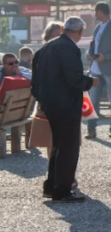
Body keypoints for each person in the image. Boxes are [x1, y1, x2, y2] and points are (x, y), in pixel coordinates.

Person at [31, 17, 99, 203]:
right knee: (68, 148)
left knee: (58, 146)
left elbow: (35, 72)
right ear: (79, 33)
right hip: (65, 104)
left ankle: (51, 186)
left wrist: (40, 97)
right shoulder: (69, 48)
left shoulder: (48, 46)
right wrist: (90, 82)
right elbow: (74, 79)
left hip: (50, 103)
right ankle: (62, 190)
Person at [86, 2, 111, 139]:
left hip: (110, 70)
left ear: (100, 12)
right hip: (95, 70)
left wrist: (106, 57)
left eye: (95, 12)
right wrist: (90, 53)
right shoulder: (98, 28)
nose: (94, 15)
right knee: (93, 101)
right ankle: (91, 129)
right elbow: (94, 45)